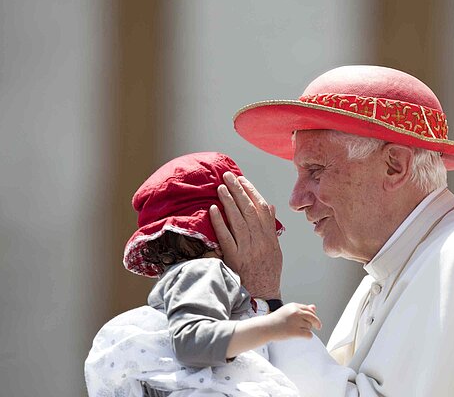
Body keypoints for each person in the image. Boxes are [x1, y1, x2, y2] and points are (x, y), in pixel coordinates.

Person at [209, 66, 454, 396]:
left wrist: (266, 299)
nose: (296, 199)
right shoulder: (397, 269)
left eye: (315, 171)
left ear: (395, 166)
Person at [84, 152, 321, 397]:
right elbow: (193, 343)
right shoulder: (203, 271)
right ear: (224, 232)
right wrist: (273, 325)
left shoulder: (186, 281)